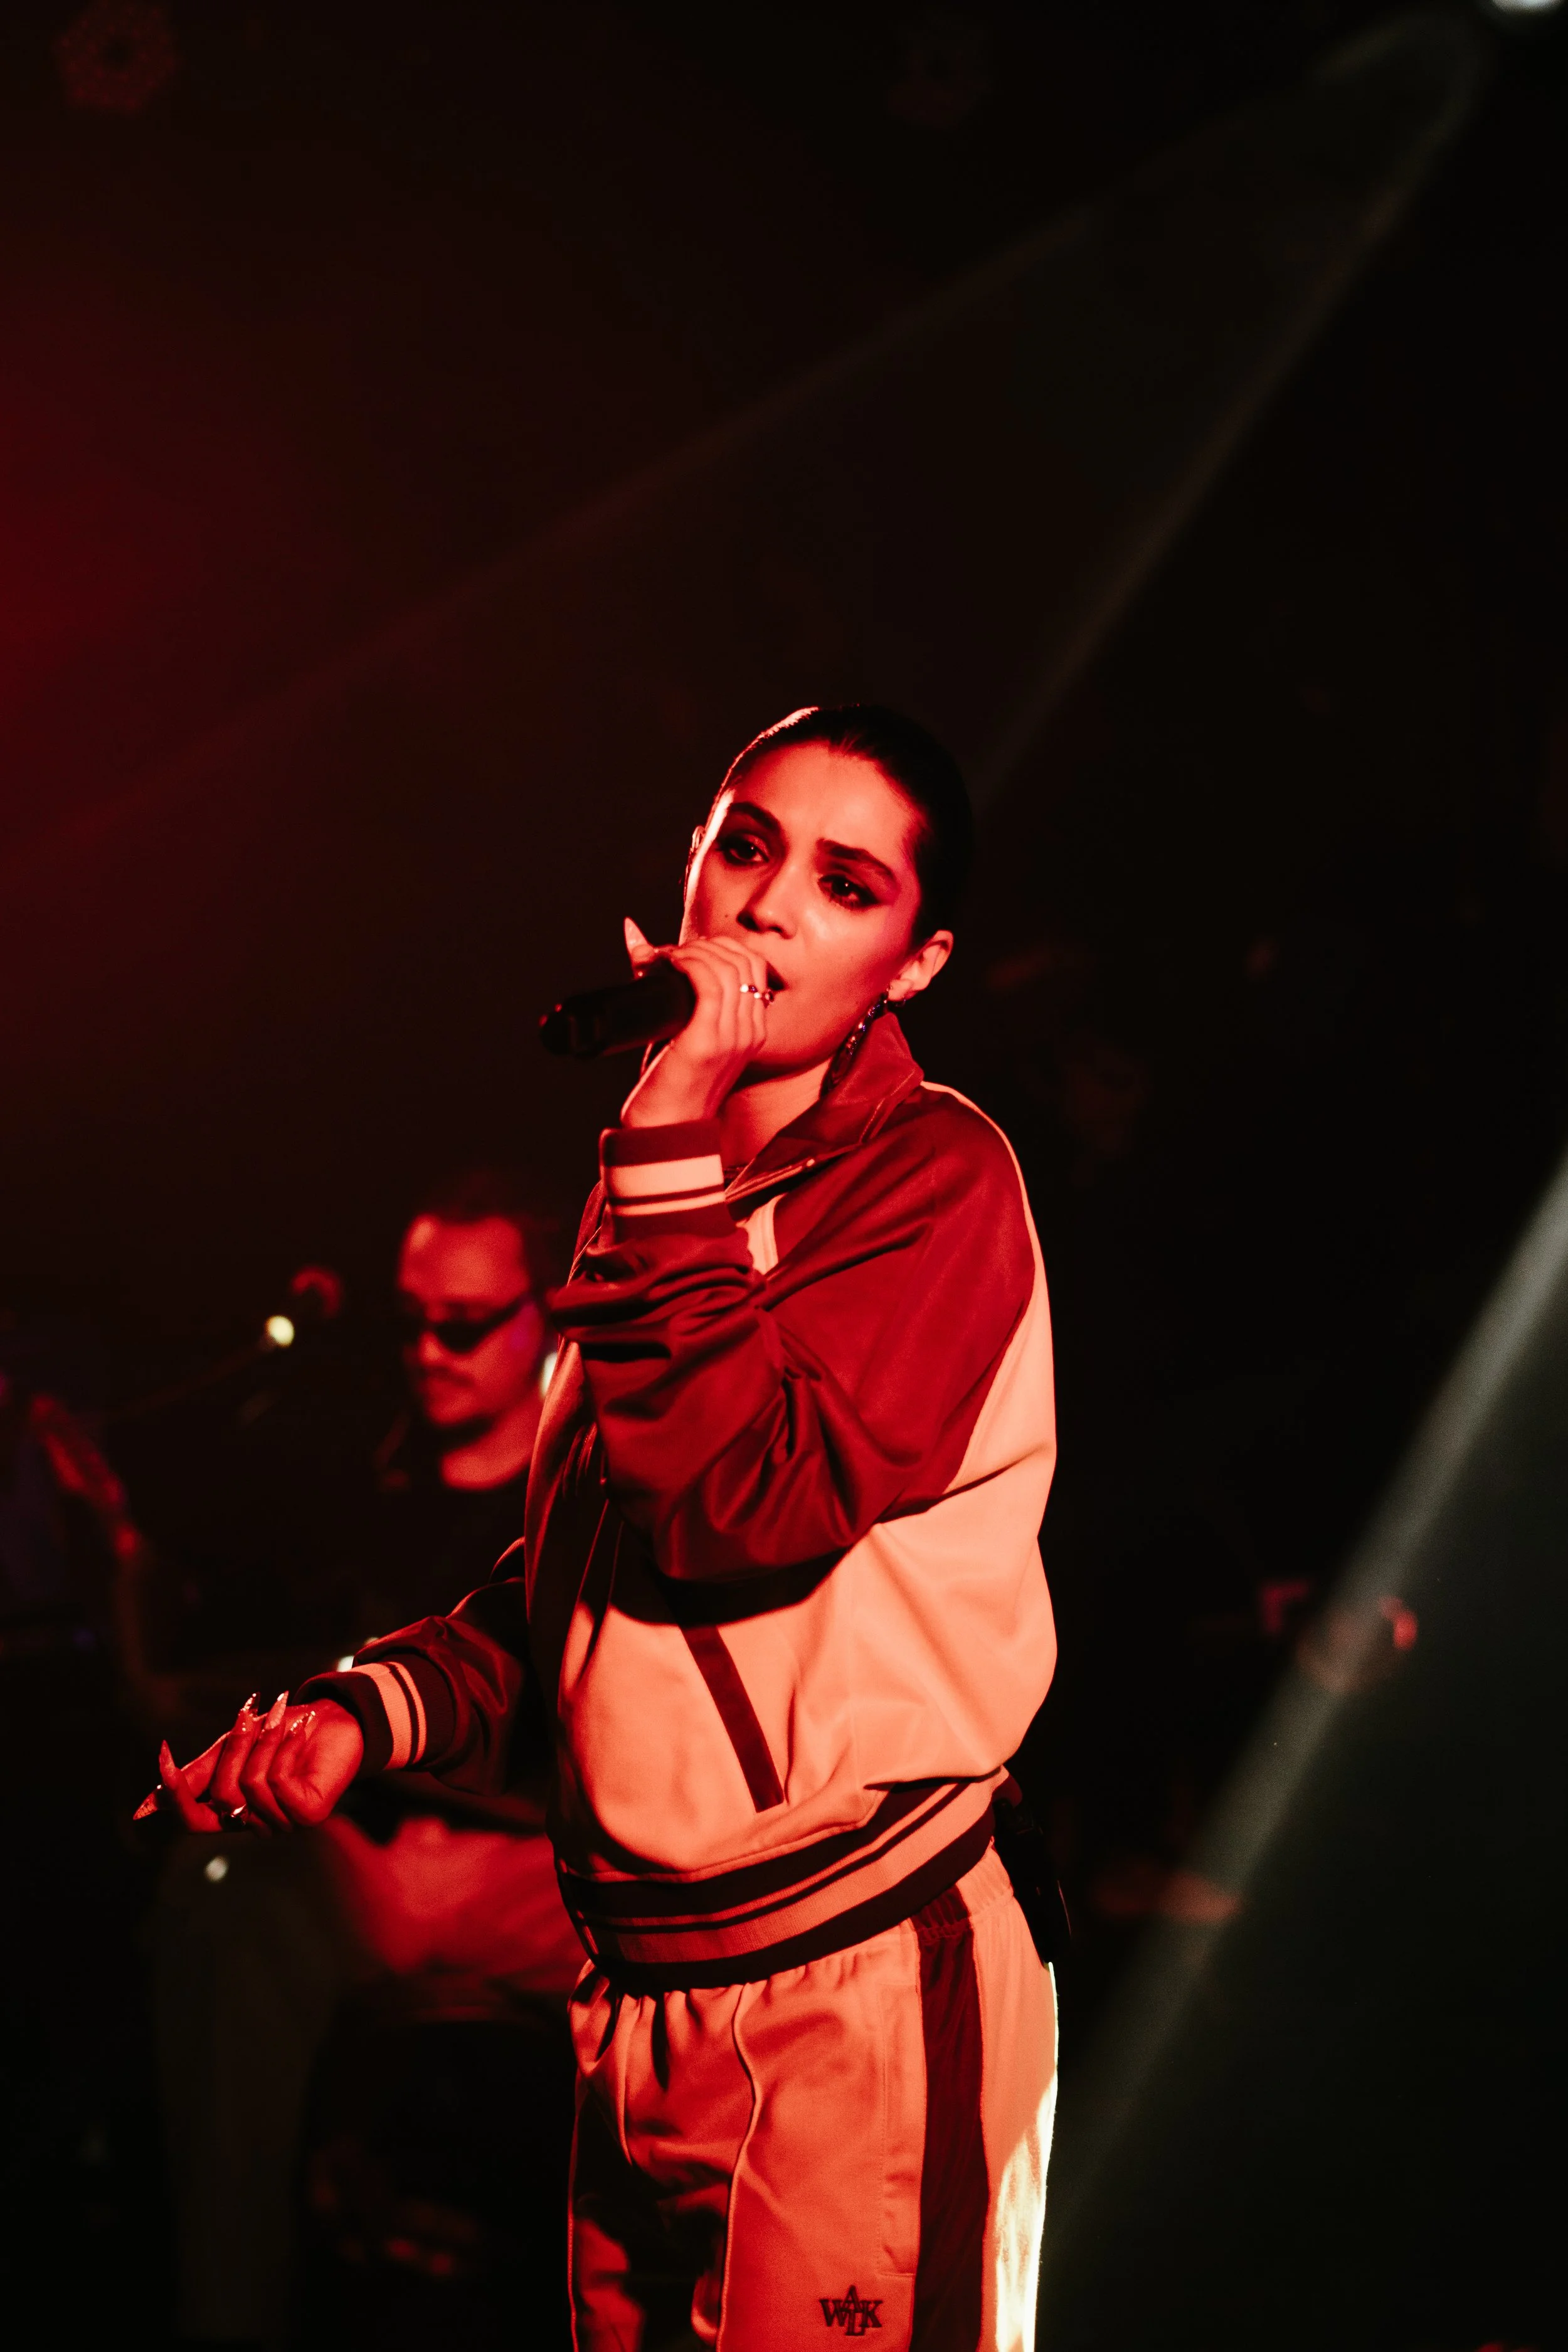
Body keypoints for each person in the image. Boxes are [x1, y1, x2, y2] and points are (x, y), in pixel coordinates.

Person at [154, 705, 1061, 2350]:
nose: (771, 901)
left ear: (913, 963)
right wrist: (363, 1709)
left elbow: (739, 1508)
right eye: (745, 841)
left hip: (845, 1989)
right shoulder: (671, 1170)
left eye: (844, 881)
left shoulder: (937, 1180)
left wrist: (660, 1132)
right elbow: (590, 1582)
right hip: (637, 1990)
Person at [150, 1169, 583, 2349]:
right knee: (219, 1897)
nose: (431, 1349)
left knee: (686, 1938)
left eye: (465, 1323)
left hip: (542, 1875)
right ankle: (225, 2313)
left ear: (544, 1311)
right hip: (372, 1866)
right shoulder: (363, 1485)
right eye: (413, 1320)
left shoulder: (579, 1491)